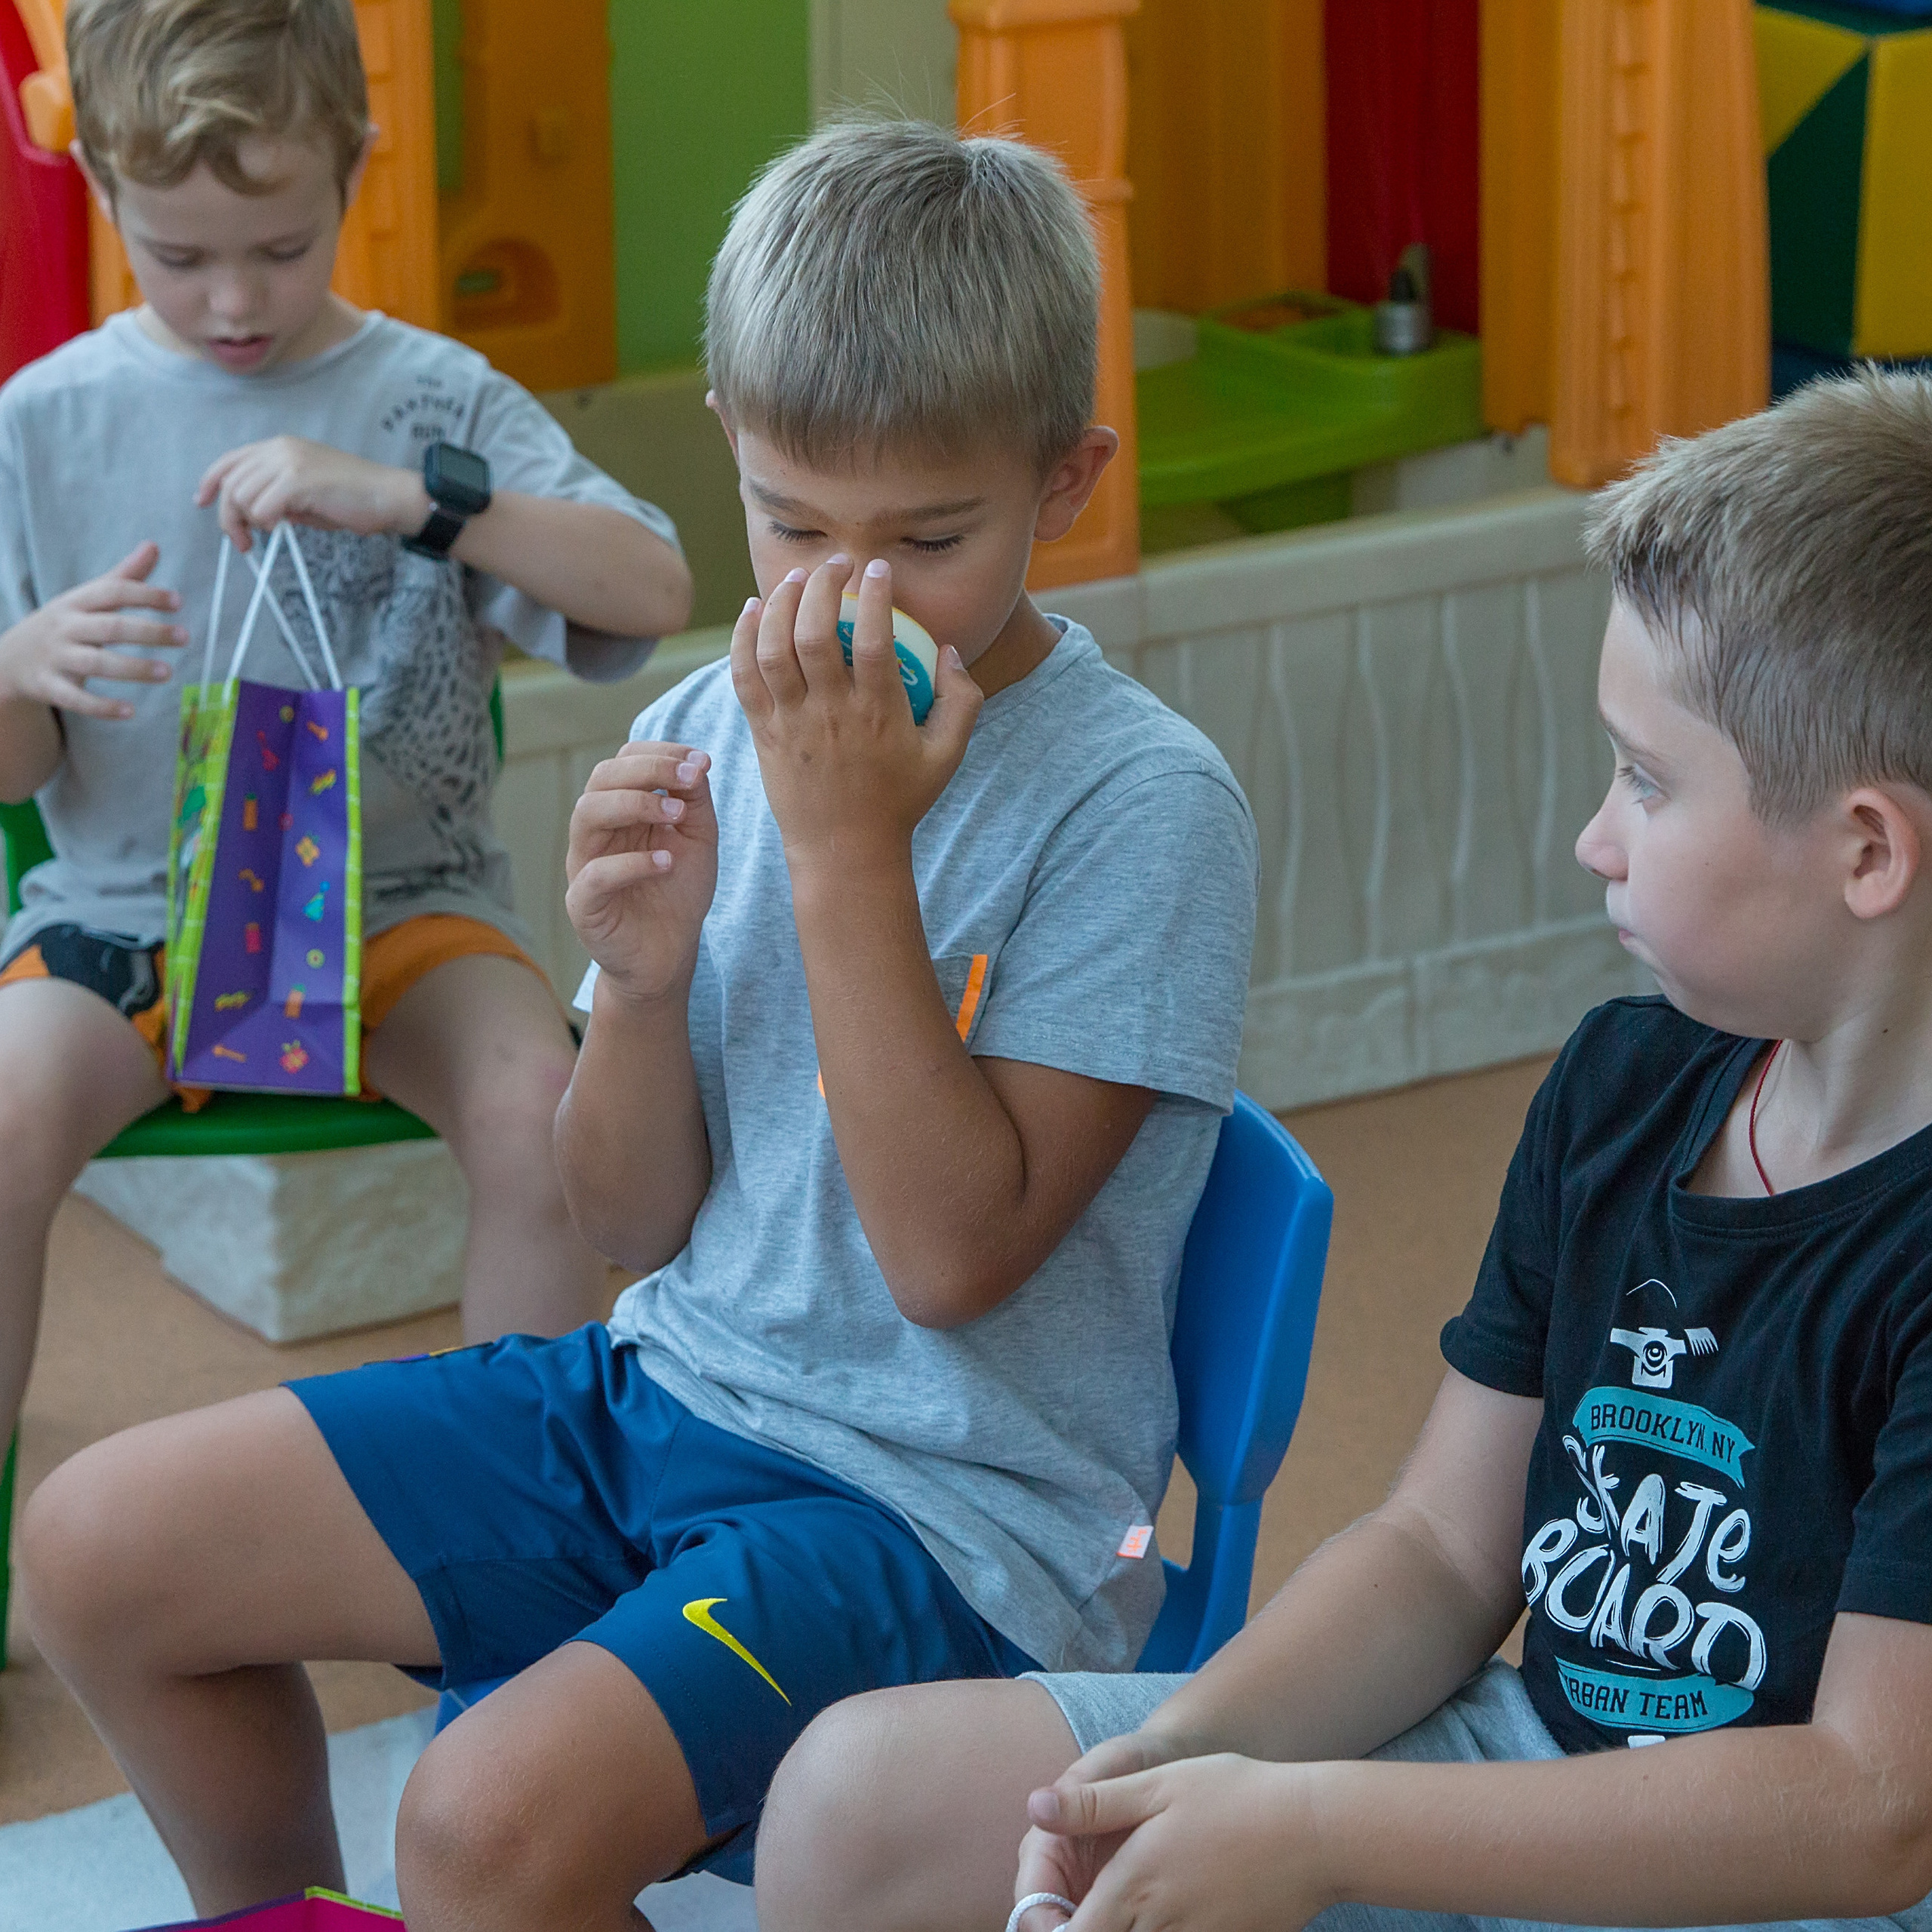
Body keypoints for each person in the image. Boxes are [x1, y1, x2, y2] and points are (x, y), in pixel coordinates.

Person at [17, 118, 1260, 1930]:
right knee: (96, 1548)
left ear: (1062, 480)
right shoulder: (701, 716)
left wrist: (841, 850)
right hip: (659, 1386)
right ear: (732, 449)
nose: (843, 595)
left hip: (938, 1515)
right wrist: (648, 985)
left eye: (927, 536)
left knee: (478, 1826)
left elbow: (944, 1261)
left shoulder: (1141, 803)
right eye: (791, 521)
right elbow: (620, 1221)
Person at [750, 368, 1932, 1932]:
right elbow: (1442, 1552)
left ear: (1866, 850)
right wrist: (1170, 1760)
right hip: (1526, 1772)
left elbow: (1867, 1809)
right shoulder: (1624, 1081)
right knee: (856, 1808)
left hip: (1793, 1887)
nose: (1594, 837)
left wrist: (1315, 1828)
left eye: (1646, 782)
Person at [0, 0, 692, 1423]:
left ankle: (512, 1514)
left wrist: (414, 502)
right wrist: (18, 670)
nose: (234, 303)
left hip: (401, 913)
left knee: (540, 1112)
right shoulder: (42, 424)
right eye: (180, 257)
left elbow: (652, 586)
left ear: (356, 170)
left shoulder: (435, 400)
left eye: (281, 248)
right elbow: (17, 774)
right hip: (124, 925)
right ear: (105, 191)